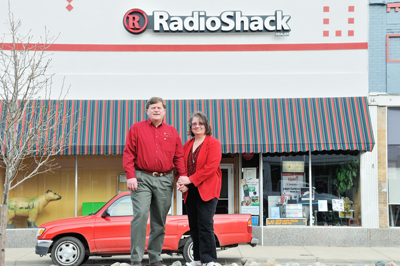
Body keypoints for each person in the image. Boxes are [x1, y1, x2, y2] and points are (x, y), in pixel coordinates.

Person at [123, 97, 187, 266]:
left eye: (159, 108)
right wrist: (130, 175)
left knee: (159, 220)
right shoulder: (136, 129)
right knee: (141, 215)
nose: (156, 110)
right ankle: (136, 259)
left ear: (164, 111)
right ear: (147, 111)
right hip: (142, 178)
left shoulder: (172, 131)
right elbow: (129, 153)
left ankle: (155, 257)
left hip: (165, 179)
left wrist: (182, 176)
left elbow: (179, 156)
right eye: (153, 108)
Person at [177, 112, 222, 266]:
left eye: (200, 123)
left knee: (205, 224)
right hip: (191, 191)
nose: (197, 126)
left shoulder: (213, 143)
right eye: (194, 123)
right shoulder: (187, 145)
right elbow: (181, 166)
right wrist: (181, 182)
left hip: (207, 189)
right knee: (194, 226)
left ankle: (209, 260)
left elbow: (211, 167)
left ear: (206, 126)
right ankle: (197, 259)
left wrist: (190, 179)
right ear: (190, 127)